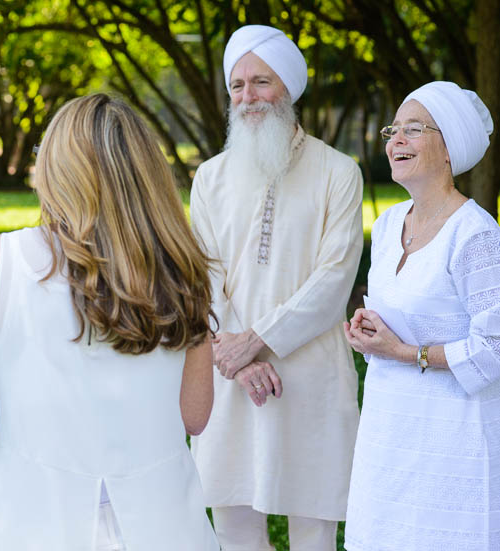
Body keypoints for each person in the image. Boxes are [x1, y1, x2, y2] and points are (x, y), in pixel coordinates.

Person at [0, 93, 220, 550]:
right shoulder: (181, 267)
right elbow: (194, 414)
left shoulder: (2, 260)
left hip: (39, 524)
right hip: (166, 525)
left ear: (55, 170)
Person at [189, 24, 364, 550]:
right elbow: (204, 276)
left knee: (315, 528)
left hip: (310, 376)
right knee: (235, 527)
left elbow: (335, 277)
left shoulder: (339, 172)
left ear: (288, 88)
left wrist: (255, 340)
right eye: (238, 86)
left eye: (261, 82)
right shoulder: (210, 178)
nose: (248, 97)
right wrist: (237, 356)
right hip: (229, 374)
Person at [343, 82, 498, 549]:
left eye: (414, 130)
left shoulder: (476, 235)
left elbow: (494, 349)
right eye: (394, 130)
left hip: (453, 438)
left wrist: (406, 352)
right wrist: (367, 331)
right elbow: (393, 316)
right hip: (387, 432)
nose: (395, 141)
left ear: (449, 150)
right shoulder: (389, 224)